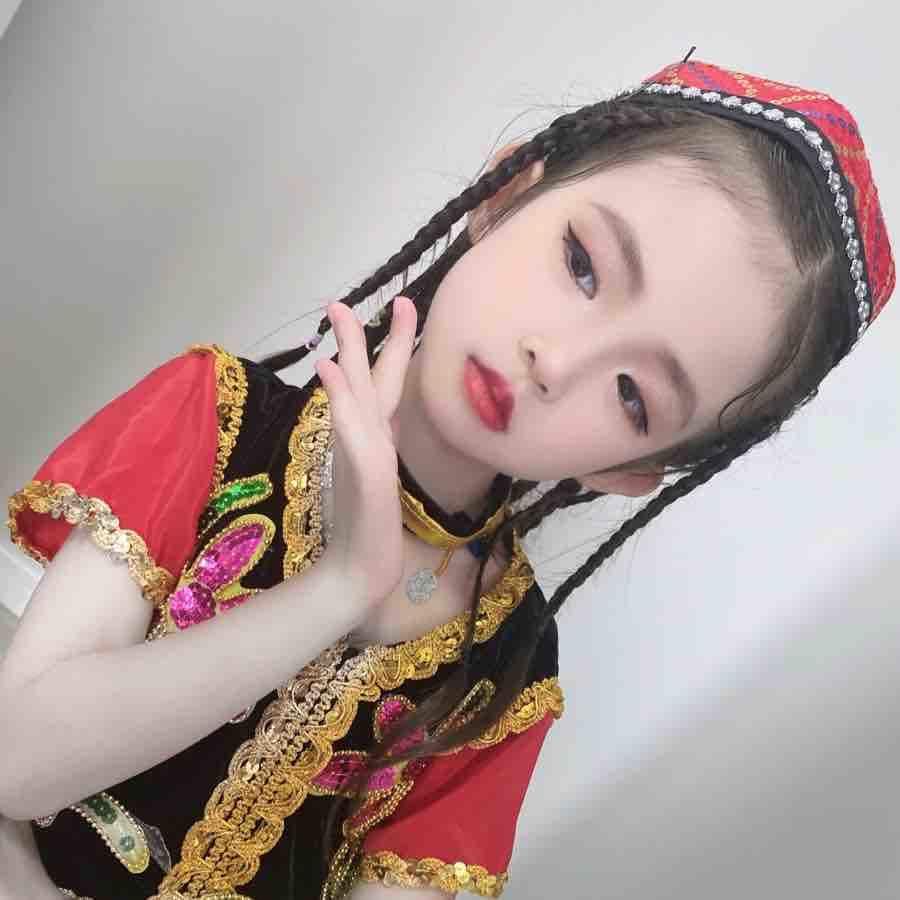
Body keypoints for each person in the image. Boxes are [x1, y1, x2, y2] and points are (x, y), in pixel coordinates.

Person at [0, 56, 894, 900]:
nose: (557, 361)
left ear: (630, 471)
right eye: (582, 265)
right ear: (506, 193)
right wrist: (343, 586)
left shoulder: (506, 679)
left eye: (632, 395)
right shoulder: (214, 416)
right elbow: (18, 762)